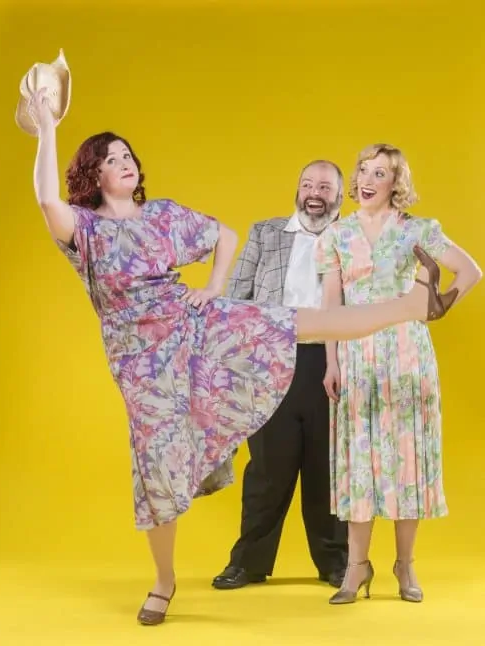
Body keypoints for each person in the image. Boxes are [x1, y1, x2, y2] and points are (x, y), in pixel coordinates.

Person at [28, 89, 457, 625]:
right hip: (143, 363)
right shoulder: (83, 229)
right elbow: (47, 201)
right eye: (111, 159)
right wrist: (47, 124)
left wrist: (211, 287)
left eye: (128, 155)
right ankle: (164, 582)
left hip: (197, 328)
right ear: (93, 174)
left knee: (299, 321)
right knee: (157, 466)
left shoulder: (162, 215)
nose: (125, 163)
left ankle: (414, 304)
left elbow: (220, 237)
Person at [315, 143, 482, 605]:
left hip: (407, 356)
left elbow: (469, 271)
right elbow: (332, 305)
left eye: (381, 173)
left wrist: (438, 306)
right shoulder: (336, 235)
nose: (368, 179)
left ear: (396, 183)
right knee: (359, 463)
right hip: (355, 355)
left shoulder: (418, 230)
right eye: (364, 170)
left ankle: (405, 566)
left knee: (407, 459)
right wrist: (330, 360)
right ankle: (355, 568)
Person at [212, 160, 348, 591]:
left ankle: (336, 563)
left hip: (332, 361)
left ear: (340, 197)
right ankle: (248, 561)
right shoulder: (266, 234)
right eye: (307, 184)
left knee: (328, 467)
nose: (315, 192)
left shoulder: (352, 240)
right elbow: (234, 298)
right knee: (268, 468)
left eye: (325, 186)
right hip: (272, 361)